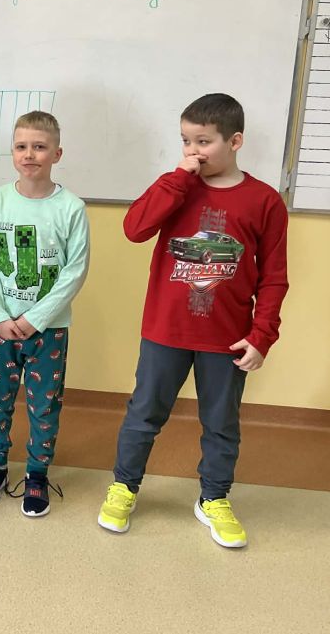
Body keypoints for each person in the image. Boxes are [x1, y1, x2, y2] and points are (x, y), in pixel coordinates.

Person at [96, 93, 288, 549]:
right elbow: (135, 228)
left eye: (204, 141)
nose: (193, 151)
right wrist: (177, 179)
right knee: (144, 414)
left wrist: (262, 336)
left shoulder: (265, 201)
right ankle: (124, 486)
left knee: (221, 423)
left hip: (227, 338)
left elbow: (274, 277)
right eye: (185, 140)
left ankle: (214, 498)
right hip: (166, 331)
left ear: (235, 141)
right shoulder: (176, 186)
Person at [0, 111, 90, 517]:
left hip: (49, 330)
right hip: (1, 326)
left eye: (39, 147)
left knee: (44, 406)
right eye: (21, 146)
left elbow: (75, 271)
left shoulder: (71, 208)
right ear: (12, 152)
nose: (29, 154)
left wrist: (34, 319)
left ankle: (37, 472)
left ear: (57, 153)